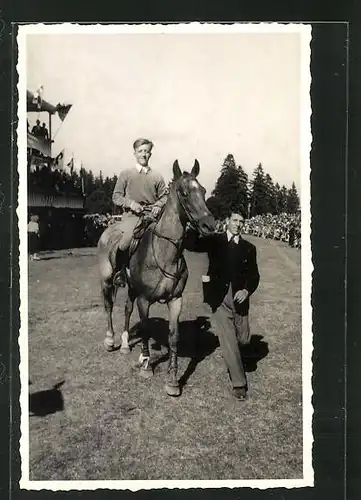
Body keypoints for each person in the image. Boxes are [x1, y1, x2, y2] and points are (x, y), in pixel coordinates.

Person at [186, 211, 260, 401]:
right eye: (235, 220)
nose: (238, 224)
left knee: (243, 339)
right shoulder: (215, 241)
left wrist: (247, 291)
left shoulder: (249, 248)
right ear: (227, 221)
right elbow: (192, 244)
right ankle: (239, 384)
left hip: (239, 299)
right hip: (219, 298)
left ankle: (241, 353)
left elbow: (254, 275)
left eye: (241, 221)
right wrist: (194, 225)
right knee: (229, 341)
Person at [111, 138, 168, 284]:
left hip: (152, 217)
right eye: (140, 151)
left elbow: (165, 196)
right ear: (134, 153)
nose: (144, 154)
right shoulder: (126, 174)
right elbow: (116, 196)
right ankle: (120, 272)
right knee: (126, 241)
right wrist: (130, 204)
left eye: (147, 151)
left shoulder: (157, 176)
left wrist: (158, 206)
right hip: (132, 217)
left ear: (150, 154)